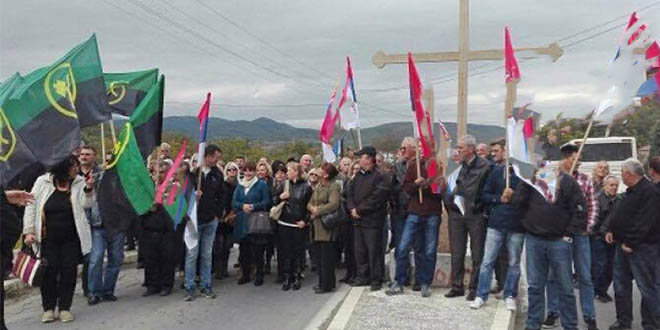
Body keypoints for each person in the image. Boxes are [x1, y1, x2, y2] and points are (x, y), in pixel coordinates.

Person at [512, 152, 585, 330]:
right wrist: (527, 224)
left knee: (565, 287)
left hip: (559, 241)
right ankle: (532, 324)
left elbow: (580, 209)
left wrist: (568, 234)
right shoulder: (533, 181)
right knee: (535, 286)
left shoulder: (568, 183)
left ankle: (570, 325)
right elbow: (518, 203)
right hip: (534, 240)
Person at [23, 155, 94, 323]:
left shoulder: (79, 182)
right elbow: (31, 206)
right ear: (63, 167)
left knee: (69, 272)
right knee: (49, 273)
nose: (77, 168)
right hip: (47, 239)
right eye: (73, 166)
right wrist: (29, 231)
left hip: (71, 238)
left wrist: (89, 189)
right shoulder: (43, 182)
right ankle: (48, 308)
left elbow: (86, 204)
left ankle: (64, 308)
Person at [544, 143, 599, 330]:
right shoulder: (553, 178)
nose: (579, 161)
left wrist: (588, 227)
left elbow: (592, 205)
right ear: (567, 158)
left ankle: (589, 316)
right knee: (554, 275)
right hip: (559, 236)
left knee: (584, 276)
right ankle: (553, 311)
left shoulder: (585, 179)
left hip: (580, 235)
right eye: (576, 157)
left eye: (580, 158)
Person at [605, 158, 660, 330]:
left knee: (646, 287)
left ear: (629, 174)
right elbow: (621, 214)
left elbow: (645, 222)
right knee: (621, 286)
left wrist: (631, 242)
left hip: (641, 248)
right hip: (622, 245)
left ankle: (650, 324)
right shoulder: (630, 191)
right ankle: (623, 321)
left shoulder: (649, 192)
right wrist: (611, 229)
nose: (621, 177)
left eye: (622, 173)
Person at [470, 139, 524, 311]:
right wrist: (499, 198)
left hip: (517, 225)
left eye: (496, 151)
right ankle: (481, 295)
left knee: (514, 263)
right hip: (496, 223)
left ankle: (510, 295)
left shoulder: (522, 174)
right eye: (492, 152)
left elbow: (528, 197)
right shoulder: (495, 172)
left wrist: (513, 195)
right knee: (487, 261)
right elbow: (485, 195)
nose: (493, 154)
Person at [386, 150, 446, 298]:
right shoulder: (413, 166)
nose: (420, 149)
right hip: (414, 212)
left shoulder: (437, 166)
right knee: (403, 247)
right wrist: (415, 184)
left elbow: (438, 191)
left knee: (429, 250)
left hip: (432, 213)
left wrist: (426, 185)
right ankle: (398, 282)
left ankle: (425, 282)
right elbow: (406, 188)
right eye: (418, 146)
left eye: (422, 146)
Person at [444, 135, 491, 301]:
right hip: (457, 214)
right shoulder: (458, 166)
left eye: (461, 148)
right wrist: (449, 204)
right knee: (457, 252)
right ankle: (457, 286)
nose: (458, 151)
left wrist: (477, 206)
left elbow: (477, 190)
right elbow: (450, 187)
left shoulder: (485, 166)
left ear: (471, 149)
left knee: (478, 253)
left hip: (475, 215)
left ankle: (475, 287)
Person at [81, 146, 125, 305]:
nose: (84, 157)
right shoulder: (88, 176)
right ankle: (94, 292)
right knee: (96, 258)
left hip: (117, 225)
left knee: (116, 259)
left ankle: (108, 290)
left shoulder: (115, 176)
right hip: (98, 225)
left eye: (88, 154)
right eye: (82, 154)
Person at [346, 146, 391, 291]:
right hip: (357, 219)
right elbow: (350, 194)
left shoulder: (381, 176)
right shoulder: (358, 175)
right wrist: (352, 208)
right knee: (360, 250)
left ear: (370, 158)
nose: (359, 160)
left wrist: (359, 210)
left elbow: (376, 198)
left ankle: (376, 278)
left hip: (372, 220)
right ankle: (362, 276)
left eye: (362, 157)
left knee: (374, 251)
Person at [184, 144, 225, 301]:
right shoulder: (193, 175)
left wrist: (218, 213)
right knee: (192, 254)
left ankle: (206, 285)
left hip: (210, 220)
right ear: (207, 156)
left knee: (207, 255)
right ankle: (189, 286)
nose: (217, 160)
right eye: (216, 157)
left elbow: (222, 195)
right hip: (194, 221)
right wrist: (194, 198)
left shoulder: (217, 175)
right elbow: (183, 196)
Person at [140, 161, 178, 298]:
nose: (159, 175)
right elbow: (140, 207)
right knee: (150, 259)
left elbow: (176, 207)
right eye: (156, 172)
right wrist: (150, 206)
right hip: (150, 229)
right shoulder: (147, 188)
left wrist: (164, 199)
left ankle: (166, 285)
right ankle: (152, 285)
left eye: (162, 172)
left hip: (167, 230)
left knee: (167, 259)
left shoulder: (173, 187)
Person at [272, 161, 313, 291]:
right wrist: (280, 197)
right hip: (284, 223)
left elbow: (310, 207)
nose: (287, 173)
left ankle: (296, 277)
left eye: (289, 171)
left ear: (296, 172)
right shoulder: (284, 185)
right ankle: (286, 277)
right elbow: (273, 201)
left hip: (298, 224)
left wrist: (305, 221)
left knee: (297, 252)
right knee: (285, 252)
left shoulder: (306, 187)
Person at [232, 161, 271, 286]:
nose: (248, 173)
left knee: (258, 251)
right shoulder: (240, 186)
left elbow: (266, 202)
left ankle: (259, 274)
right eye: (246, 170)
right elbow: (234, 202)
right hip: (242, 221)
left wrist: (254, 206)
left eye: (251, 170)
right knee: (244, 251)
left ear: (254, 172)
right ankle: (246, 274)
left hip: (256, 221)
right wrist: (242, 206)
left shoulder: (261, 185)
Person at [308, 163, 342, 293]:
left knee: (327, 257)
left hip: (326, 225)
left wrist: (319, 210)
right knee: (319, 256)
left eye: (321, 169)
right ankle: (322, 281)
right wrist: (311, 208)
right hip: (316, 225)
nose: (318, 170)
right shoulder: (318, 185)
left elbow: (334, 204)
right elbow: (310, 201)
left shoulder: (334, 186)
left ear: (326, 174)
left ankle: (327, 284)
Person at [591, 175, 620, 303]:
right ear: (605, 186)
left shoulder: (620, 200)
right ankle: (596, 290)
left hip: (614, 238)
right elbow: (593, 220)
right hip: (598, 237)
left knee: (611, 266)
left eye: (615, 185)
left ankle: (602, 290)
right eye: (611, 185)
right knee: (599, 265)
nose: (613, 188)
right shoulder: (597, 199)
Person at [270, 161, 288, 283]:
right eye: (278, 173)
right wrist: (279, 197)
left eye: (282, 173)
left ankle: (287, 272)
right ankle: (280, 273)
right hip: (274, 219)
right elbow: (271, 200)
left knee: (285, 248)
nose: (280, 175)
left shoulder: (288, 185)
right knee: (279, 248)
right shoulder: (271, 186)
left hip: (286, 219)